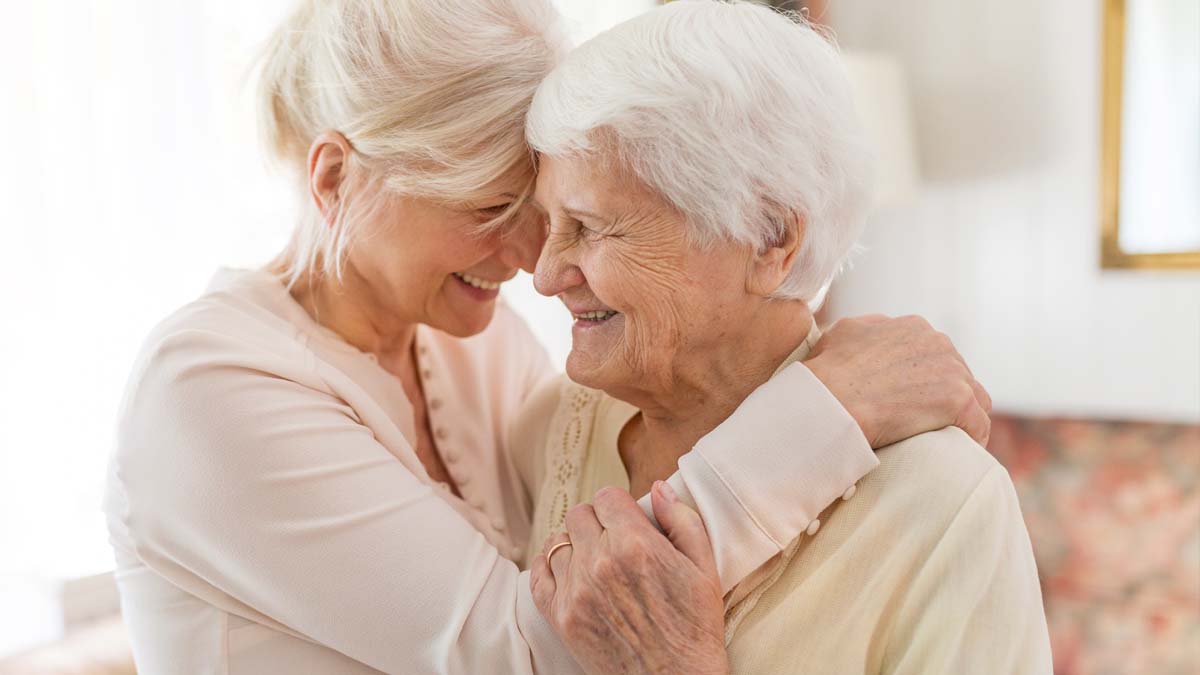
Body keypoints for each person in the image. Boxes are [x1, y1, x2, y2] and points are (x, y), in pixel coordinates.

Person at [103, 1, 994, 673]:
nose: (533, 260)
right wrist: (824, 411)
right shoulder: (210, 390)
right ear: (336, 178)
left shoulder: (473, 348)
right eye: (491, 209)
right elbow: (535, 646)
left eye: (548, 210)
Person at [517, 2, 1052, 673]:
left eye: (592, 226)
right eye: (550, 223)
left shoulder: (946, 503)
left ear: (770, 237)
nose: (544, 274)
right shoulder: (550, 430)